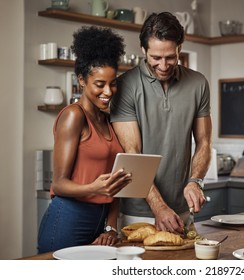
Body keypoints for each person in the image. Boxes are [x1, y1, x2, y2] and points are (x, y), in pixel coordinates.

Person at [110, 12, 212, 234]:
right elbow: (132, 154)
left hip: (182, 209)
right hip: (139, 211)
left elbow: (204, 141)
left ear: (179, 49)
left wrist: (195, 181)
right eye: (156, 57)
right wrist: (159, 207)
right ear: (143, 50)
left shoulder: (198, 83)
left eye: (170, 57)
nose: (164, 65)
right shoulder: (124, 86)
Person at [37, 26, 131, 253]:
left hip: (100, 224)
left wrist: (110, 227)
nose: (108, 91)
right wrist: (95, 187)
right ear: (81, 80)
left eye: (113, 83)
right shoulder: (73, 116)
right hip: (67, 220)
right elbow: (59, 184)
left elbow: (114, 185)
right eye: (100, 84)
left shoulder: (109, 120)